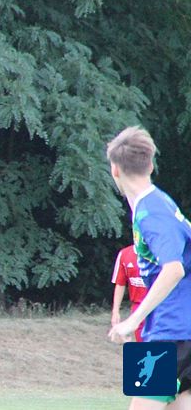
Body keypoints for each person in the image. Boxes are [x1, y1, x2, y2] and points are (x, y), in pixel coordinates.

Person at [105, 126, 191, 409]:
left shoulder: (151, 212)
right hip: (178, 330)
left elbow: (174, 269)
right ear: (151, 165)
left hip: (171, 331)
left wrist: (133, 320)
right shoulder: (159, 204)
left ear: (115, 170)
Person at [112, 243, 148, 342]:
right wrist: (115, 311)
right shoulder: (124, 254)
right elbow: (120, 284)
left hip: (159, 306)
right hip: (138, 307)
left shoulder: (160, 253)